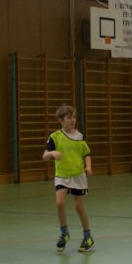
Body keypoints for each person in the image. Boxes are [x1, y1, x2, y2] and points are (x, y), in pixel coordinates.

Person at [43, 104, 94, 252]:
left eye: (74, 117)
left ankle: (88, 236)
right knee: (59, 203)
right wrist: (52, 153)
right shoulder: (55, 137)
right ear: (61, 120)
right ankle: (64, 233)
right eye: (69, 117)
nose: (73, 120)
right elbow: (44, 156)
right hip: (62, 175)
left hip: (78, 175)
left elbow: (86, 154)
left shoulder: (79, 136)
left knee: (79, 206)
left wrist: (88, 167)